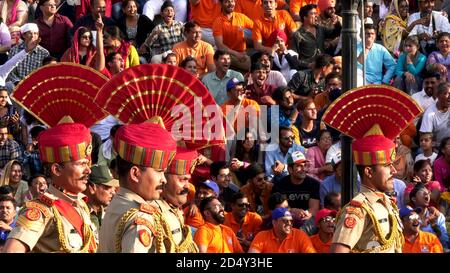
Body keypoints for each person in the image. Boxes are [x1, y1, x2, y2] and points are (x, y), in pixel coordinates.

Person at [325, 85, 422, 253]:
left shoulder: (388, 203)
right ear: (368, 172)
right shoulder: (357, 210)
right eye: (386, 166)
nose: (393, 171)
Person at [3, 121, 97, 253]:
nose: (88, 170)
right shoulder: (41, 210)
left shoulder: (81, 204)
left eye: (87, 164)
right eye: (81, 164)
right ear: (57, 170)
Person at [98, 122, 176, 253]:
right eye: (158, 171)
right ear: (135, 174)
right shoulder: (140, 217)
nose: (163, 179)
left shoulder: (117, 204)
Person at [150, 147, 199, 253]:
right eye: (183, 180)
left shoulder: (174, 210)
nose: (188, 187)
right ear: (164, 180)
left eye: (188, 180)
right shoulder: (153, 214)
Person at [272, 151, 320, 223]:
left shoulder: (314, 184)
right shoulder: (280, 184)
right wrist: (292, 211)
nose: (303, 169)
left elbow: (314, 209)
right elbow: (278, 208)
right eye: (299, 166)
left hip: (307, 219)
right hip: (286, 217)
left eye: (304, 166)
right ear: (290, 169)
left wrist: (305, 215)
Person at [290, 4, 341, 70]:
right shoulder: (297, 35)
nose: (316, 15)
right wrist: (308, 65)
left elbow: (336, 33)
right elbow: (293, 59)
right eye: (313, 13)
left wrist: (337, 23)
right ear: (305, 17)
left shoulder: (320, 29)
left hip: (323, 70)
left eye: (316, 13)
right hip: (307, 72)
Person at [248, 207, 316, 253]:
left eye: (291, 221)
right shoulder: (262, 236)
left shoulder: (300, 235)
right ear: (274, 222)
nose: (289, 224)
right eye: (285, 221)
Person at [213, 0, 253, 72]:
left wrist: (251, 39)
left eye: (232, 1)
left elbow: (256, 28)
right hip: (228, 54)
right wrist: (236, 54)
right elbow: (220, 46)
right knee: (252, 65)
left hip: (242, 52)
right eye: (227, 2)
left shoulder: (241, 17)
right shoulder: (218, 22)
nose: (230, 4)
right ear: (221, 4)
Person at [409, 183, 449, 248]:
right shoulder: (408, 218)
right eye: (422, 192)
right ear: (414, 199)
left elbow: (445, 243)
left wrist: (434, 225)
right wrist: (420, 226)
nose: (426, 194)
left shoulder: (438, 216)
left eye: (428, 192)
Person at [84, 165, 118, 231]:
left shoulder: (108, 213)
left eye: (113, 188)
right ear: (92, 187)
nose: (113, 192)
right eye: (107, 188)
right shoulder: (80, 214)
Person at [419, 82, 450, 147]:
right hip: (438, 149)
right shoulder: (430, 114)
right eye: (446, 93)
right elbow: (426, 138)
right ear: (438, 95)